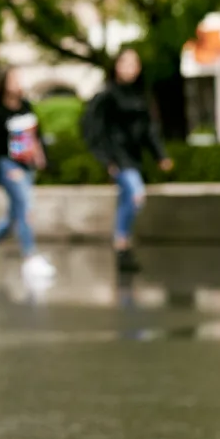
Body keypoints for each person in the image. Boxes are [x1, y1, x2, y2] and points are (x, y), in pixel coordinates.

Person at [80, 48, 174, 274]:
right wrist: (106, 160)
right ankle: (121, 242)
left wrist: (160, 155)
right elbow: (93, 129)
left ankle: (123, 246)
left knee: (126, 202)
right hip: (118, 157)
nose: (130, 68)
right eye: (125, 63)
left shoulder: (140, 95)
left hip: (133, 156)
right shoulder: (107, 95)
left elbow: (149, 130)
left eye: (134, 64)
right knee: (135, 195)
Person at [0, 67, 56, 285]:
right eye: (13, 79)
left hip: (27, 165)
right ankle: (30, 257)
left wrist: (40, 155)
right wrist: (7, 167)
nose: (18, 83)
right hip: (7, 165)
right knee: (26, 207)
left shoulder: (26, 106)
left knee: (15, 214)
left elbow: (36, 135)